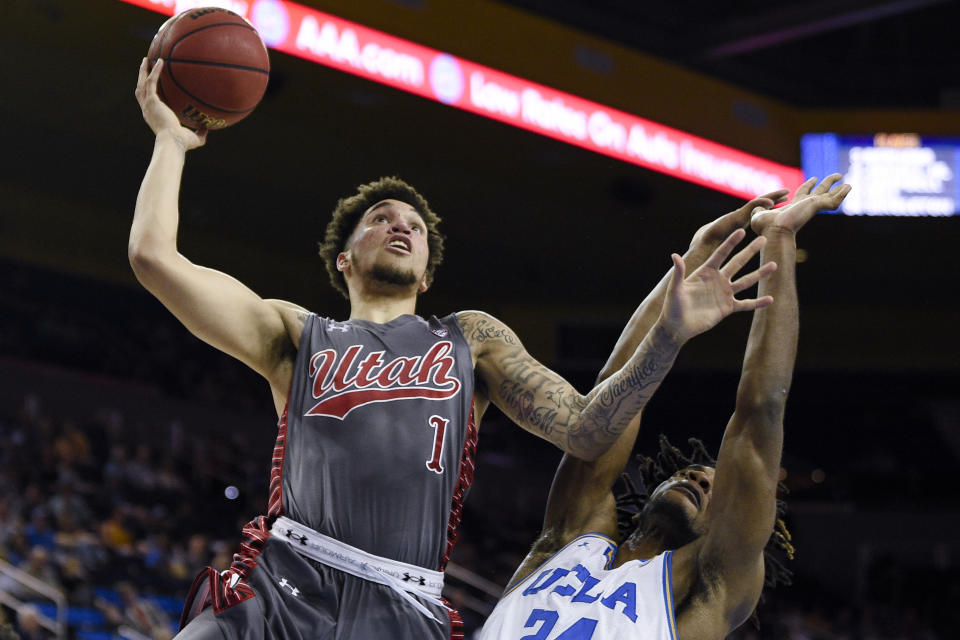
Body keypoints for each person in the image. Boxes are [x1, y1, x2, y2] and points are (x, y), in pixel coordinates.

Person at [132, 57, 778, 640]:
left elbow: (587, 431)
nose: (400, 225)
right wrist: (171, 141)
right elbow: (154, 258)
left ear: (428, 273)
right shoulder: (296, 334)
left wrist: (667, 335)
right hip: (284, 579)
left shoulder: (471, 339)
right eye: (381, 218)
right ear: (344, 258)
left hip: (402, 609)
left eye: (413, 224)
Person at [476, 176, 850, 640]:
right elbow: (607, 400)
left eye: (713, 487)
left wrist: (778, 237)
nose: (696, 477)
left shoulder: (706, 587)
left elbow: (761, 412)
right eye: (691, 472)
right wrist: (695, 255)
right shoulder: (569, 539)